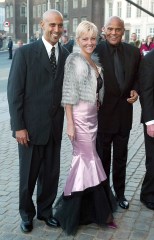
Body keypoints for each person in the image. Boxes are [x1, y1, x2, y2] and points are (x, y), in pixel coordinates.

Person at [7, 9, 69, 233]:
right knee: (28, 177)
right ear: (42, 25)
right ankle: (26, 215)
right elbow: (14, 93)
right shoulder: (25, 53)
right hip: (30, 130)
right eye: (52, 25)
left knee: (51, 174)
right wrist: (18, 127)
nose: (56, 29)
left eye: (59, 25)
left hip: (54, 127)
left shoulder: (66, 53)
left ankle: (45, 211)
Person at [54, 20, 117, 236]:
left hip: (93, 118)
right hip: (80, 121)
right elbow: (68, 95)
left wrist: (97, 101)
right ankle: (87, 212)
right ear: (78, 40)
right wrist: (70, 123)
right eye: (85, 39)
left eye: (92, 38)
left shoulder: (93, 62)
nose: (89, 42)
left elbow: (95, 90)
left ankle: (86, 211)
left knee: (89, 161)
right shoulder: (74, 60)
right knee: (86, 161)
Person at [95, 16, 141, 209]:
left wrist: (136, 89)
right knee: (103, 158)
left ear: (123, 31)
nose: (113, 33)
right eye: (110, 29)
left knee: (121, 158)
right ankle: (104, 195)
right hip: (103, 116)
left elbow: (139, 76)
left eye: (118, 29)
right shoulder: (95, 51)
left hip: (124, 116)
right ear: (104, 30)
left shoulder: (134, 52)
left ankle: (120, 194)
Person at [139, 49, 154, 210]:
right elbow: (146, 91)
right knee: (153, 160)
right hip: (153, 120)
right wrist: (150, 122)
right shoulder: (150, 58)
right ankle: (148, 194)